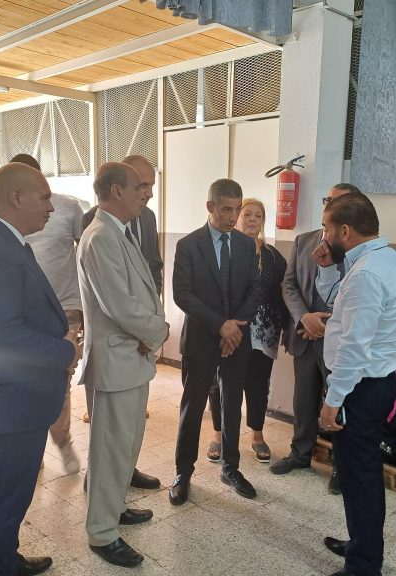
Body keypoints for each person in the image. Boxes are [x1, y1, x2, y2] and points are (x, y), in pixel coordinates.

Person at [0, 162, 79, 576]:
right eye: (44, 198)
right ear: (16, 197)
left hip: (18, 399)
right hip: (11, 404)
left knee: (13, 495)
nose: (50, 208)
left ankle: (5, 559)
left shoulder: (5, 241)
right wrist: (64, 350)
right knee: (6, 501)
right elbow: (3, 338)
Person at [77, 162, 169, 568]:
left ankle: (115, 508)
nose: (147, 193)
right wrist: (158, 330)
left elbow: (139, 291)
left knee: (126, 445)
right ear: (116, 190)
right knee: (110, 449)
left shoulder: (120, 231)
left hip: (132, 355)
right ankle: (101, 532)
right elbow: (119, 304)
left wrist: (150, 332)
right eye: (139, 186)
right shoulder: (100, 237)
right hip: (117, 357)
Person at [315, 192, 396, 576]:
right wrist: (326, 269)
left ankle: (363, 566)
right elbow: (341, 305)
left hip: (360, 388)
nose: (324, 237)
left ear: (345, 230)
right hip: (373, 383)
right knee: (360, 475)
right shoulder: (384, 260)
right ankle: (361, 546)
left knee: (360, 478)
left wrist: (333, 400)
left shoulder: (368, 274)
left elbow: (354, 347)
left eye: (326, 229)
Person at [169, 178, 261, 505]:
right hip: (201, 339)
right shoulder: (189, 245)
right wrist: (220, 326)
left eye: (237, 209)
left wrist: (233, 329)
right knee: (193, 406)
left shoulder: (246, 245)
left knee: (232, 404)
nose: (233, 217)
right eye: (226, 209)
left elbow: (254, 290)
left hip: (236, 340)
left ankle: (231, 468)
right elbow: (182, 294)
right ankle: (183, 473)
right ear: (210, 207)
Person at [270, 183, 359, 495]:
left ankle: (341, 466)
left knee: (339, 404)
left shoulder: (355, 248)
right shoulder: (303, 240)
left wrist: (325, 324)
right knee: (304, 399)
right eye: (327, 200)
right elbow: (289, 284)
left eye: (338, 201)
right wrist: (304, 318)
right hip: (303, 335)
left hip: (338, 340)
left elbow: (354, 296)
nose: (329, 205)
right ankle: (300, 454)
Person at [12, 153, 83, 476]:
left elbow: (88, 256)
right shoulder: (7, 214)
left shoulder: (67, 207)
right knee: (27, 380)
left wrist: (86, 310)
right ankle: (33, 447)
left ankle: (63, 441)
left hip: (64, 308)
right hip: (23, 311)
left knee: (59, 380)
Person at [206, 198, 287, 464]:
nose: (252, 219)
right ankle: (218, 435)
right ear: (236, 217)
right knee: (220, 383)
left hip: (264, 333)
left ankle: (257, 436)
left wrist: (286, 327)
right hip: (230, 330)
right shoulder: (224, 250)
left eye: (258, 216)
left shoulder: (273, 257)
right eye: (247, 214)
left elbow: (284, 292)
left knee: (258, 384)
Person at [81, 155, 163, 294]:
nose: (150, 194)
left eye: (152, 185)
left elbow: (155, 265)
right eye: (142, 185)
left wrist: (154, 300)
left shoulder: (149, 217)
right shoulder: (92, 220)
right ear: (118, 188)